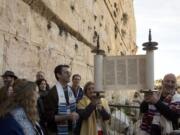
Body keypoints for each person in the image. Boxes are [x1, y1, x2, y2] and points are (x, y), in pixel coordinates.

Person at [44, 65, 79, 135]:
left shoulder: (71, 90)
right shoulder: (52, 93)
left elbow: (74, 109)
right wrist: (68, 116)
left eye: (69, 72)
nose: (69, 74)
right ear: (58, 75)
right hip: (56, 131)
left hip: (71, 129)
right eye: (66, 72)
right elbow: (49, 117)